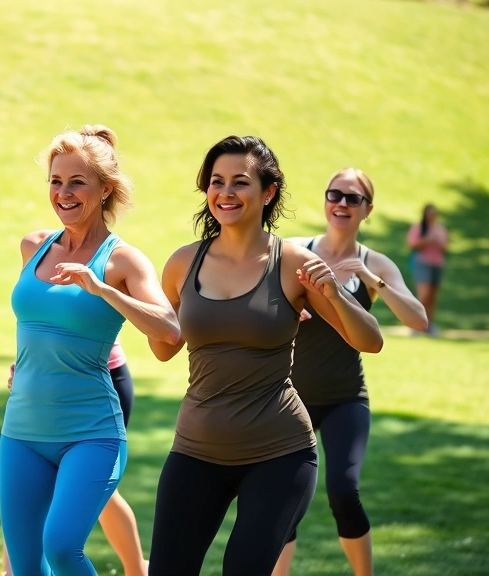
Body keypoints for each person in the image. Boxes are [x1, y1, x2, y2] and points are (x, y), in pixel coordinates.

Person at [148, 136, 384, 575]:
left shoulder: (292, 261)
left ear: (268, 192)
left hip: (279, 454)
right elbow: (164, 349)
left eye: (240, 182)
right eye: (216, 182)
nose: (226, 192)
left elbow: (369, 340)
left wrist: (332, 291)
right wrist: (126, 304)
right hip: (196, 450)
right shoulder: (182, 263)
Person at [1, 125, 180, 576]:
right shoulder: (33, 246)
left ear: (105, 189)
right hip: (22, 429)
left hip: (91, 431)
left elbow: (170, 331)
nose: (63, 193)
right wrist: (24, 363)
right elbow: (39, 321)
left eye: (77, 182)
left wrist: (104, 291)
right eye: (56, 182)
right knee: (25, 565)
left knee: (61, 548)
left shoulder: (123, 261)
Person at [272, 169, 427, 576]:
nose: (341, 203)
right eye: (334, 194)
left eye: (352, 198)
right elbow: (258, 294)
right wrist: (288, 306)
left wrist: (371, 279)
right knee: (280, 495)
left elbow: (418, 319)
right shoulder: (294, 251)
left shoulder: (375, 264)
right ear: (325, 201)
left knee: (344, 490)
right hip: (292, 398)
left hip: (345, 399)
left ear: (367, 210)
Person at [1, 341, 147, 576]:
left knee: (96, 492)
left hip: (99, 381)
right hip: (41, 383)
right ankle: (11, 569)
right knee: (29, 487)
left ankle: (137, 569)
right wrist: (30, 367)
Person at [406, 203, 448, 335]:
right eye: (430, 213)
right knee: (424, 295)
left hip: (437, 264)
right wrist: (428, 240)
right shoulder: (418, 228)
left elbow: (446, 246)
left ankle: (429, 325)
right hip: (422, 264)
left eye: (434, 213)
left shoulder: (440, 229)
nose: (432, 216)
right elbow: (412, 244)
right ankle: (417, 325)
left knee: (433, 297)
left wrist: (439, 242)